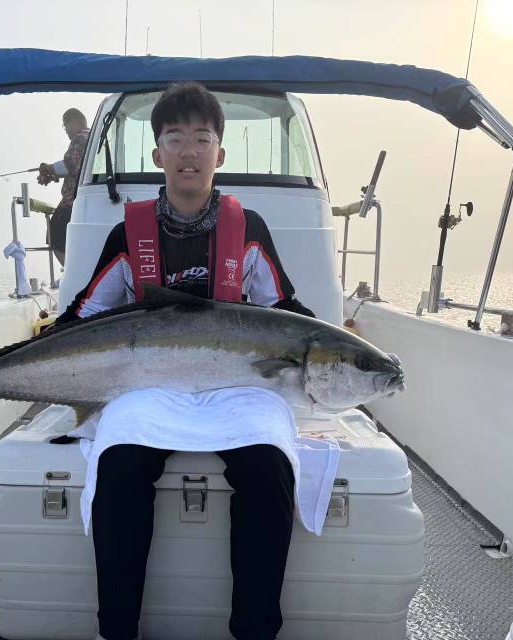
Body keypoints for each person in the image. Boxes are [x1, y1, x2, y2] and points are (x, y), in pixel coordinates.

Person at [57, 82, 314, 640]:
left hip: (234, 384)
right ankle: (117, 630)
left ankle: (255, 631)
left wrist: (325, 339)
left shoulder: (250, 229)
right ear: (158, 155)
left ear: (220, 153)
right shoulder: (129, 231)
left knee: (269, 471)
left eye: (202, 138)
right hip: (149, 385)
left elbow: (282, 308)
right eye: (175, 138)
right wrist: (38, 357)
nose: (189, 151)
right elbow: (86, 312)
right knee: (119, 468)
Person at [37, 107, 90, 265]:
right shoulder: (93, 136)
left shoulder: (80, 138)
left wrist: (48, 169)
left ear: (74, 121)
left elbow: (71, 164)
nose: (65, 130)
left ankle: (72, 273)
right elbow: (80, 168)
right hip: (86, 200)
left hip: (73, 201)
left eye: (65, 125)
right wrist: (53, 174)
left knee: (55, 236)